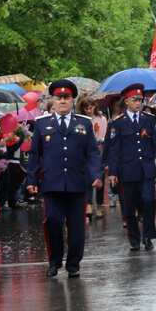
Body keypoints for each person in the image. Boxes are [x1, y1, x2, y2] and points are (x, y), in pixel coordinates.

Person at [25, 80, 102, 278]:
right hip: (52, 183)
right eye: (58, 98)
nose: (62, 101)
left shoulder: (83, 123)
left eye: (66, 98)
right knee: (53, 222)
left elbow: (92, 153)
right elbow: (35, 154)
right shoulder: (42, 124)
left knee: (76, 227)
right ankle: (54, 261)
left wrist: (96, 174)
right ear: (53, 100)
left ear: (72, 100)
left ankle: (73, 263)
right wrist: (32, 180)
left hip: (77, 182)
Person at [105, 83, 156, 251]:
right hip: (126, 170)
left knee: (150, 200)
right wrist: (112, 172)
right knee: (128, 206)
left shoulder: (148, 120)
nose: (138, 103)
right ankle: (134, 238)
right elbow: (112, 149)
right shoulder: (117, 123)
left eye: (140, 100)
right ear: (127, 102)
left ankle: (148, 235)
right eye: (135, 100)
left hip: (146, 168)